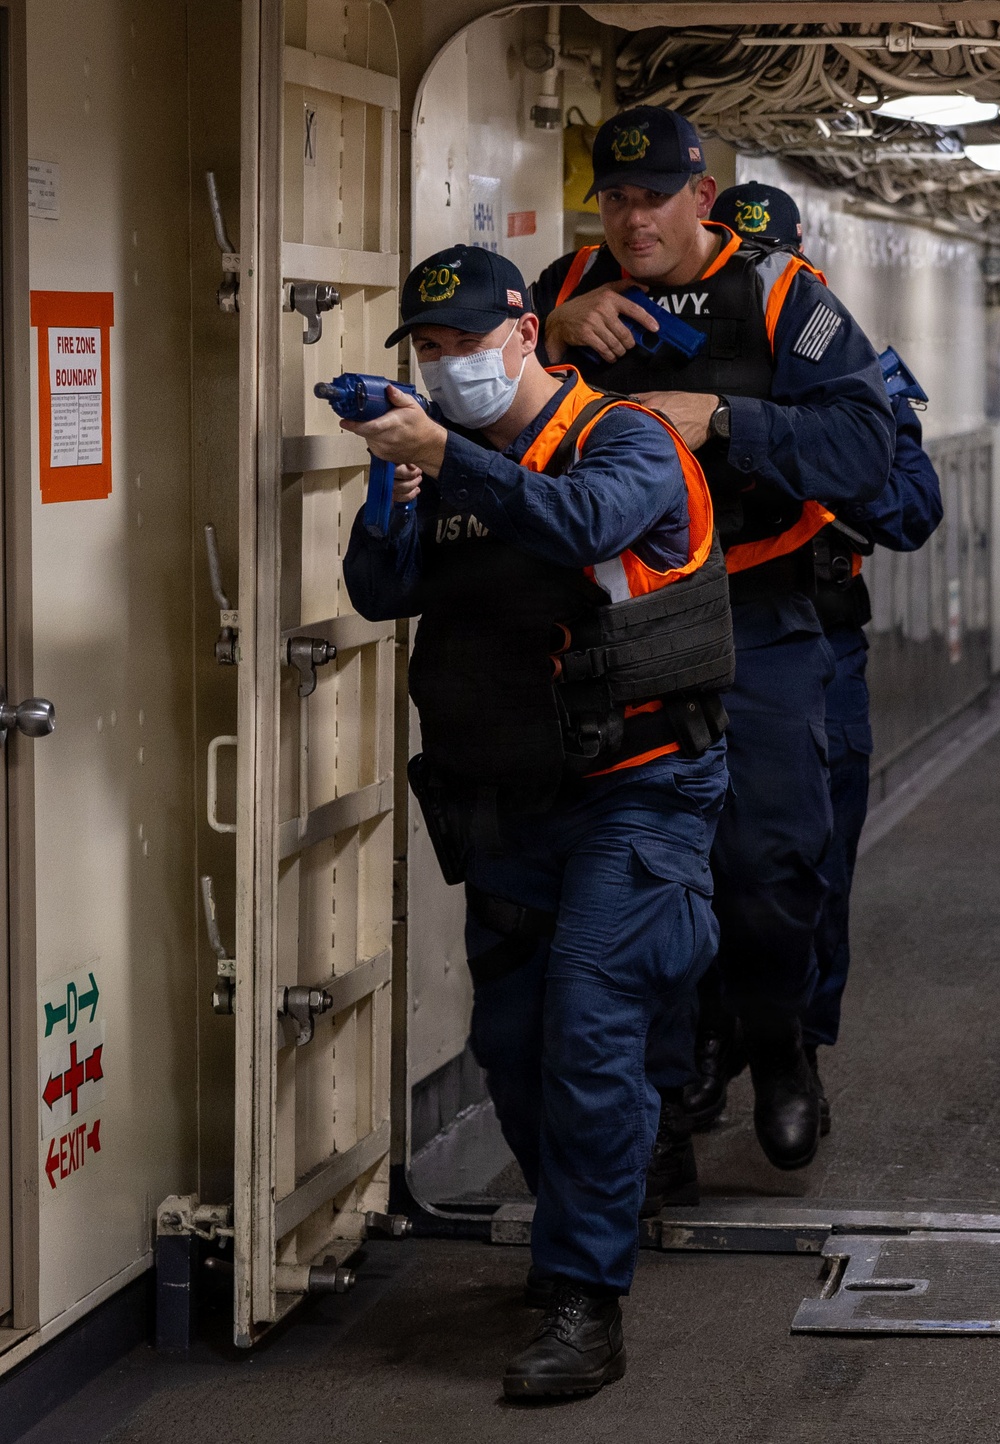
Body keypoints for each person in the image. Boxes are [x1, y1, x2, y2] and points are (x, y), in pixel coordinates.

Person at [341, 245, 734, 1397]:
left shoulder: (623, 438)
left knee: (587, 1031)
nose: (446, 365)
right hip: (507, 797)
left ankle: (583, 1299)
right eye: (427, 351)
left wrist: (449, 456)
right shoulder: (453, 464)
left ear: (525, 332)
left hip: (640, 788)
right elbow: (379, 592)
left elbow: (586, 523)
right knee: (512, 1048)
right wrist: (392, 493)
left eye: (465, 344)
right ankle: (586, 1224)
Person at [531, 107, 894, 1175]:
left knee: (772, 859)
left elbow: (864, 449)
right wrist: (551, 339)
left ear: (701, 195)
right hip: (615, 620)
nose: (635, 219)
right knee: (630, 866)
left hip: (758, 609)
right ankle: (672, 1080)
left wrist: (725, 420)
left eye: (656, 197)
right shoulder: (563, 290)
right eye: (617, 198)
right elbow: (472, 406)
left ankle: (778, 1045)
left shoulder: (782, 294)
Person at [709, 181, 943, 1129]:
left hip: (819, 651)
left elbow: (914, 507)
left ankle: (794, 1047)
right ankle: (690, 1078)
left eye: (781, 261)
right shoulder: (684, 366)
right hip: (695, 639)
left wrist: (807, 467)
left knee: (806, 863)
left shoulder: (856, 381)